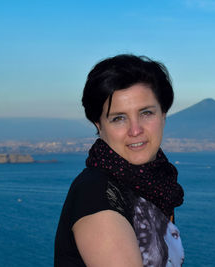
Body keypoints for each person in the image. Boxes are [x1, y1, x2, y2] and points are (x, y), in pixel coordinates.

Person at [54, 54, 185, 267]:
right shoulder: (97, 195)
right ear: (99, 125)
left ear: (163, 114)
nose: (135, 130)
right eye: (118, 118)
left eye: (146, 113)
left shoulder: (152, 185)